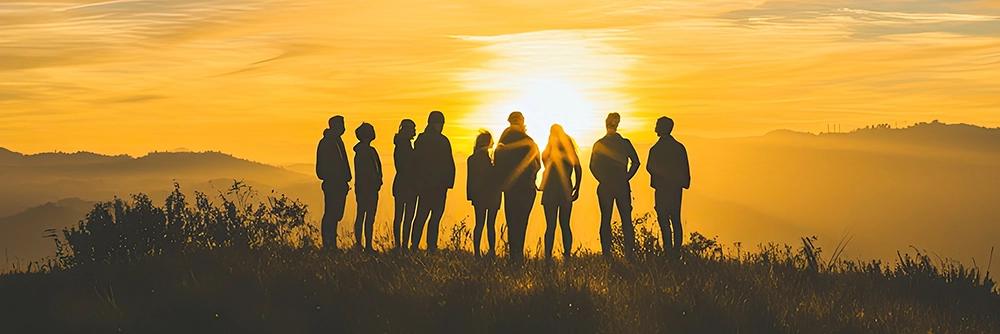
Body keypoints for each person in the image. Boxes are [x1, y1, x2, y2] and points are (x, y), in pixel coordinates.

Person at [590, 112, 640, 258]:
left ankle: (607, 253)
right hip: (622, 186)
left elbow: (592, 166)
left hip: (606, 186)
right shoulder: (625, 143)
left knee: (606, 219)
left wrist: (602, 179)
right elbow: (636, 162)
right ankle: (629, 253)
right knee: (626, 219)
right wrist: (626, 177)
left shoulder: (599, 144)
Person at [494, 111, 541, 263]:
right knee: (522, 222)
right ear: (522, 122)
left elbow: (498, 163)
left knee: (512, 221)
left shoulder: (503, 142)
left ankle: (513, 256)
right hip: (527, 188)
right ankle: (518, 256)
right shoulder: (530, 141)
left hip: (511, 188)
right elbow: (537, 165)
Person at [410, 111, 455, 251]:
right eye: (441, 123)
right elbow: (449, 163)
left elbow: (416, 163)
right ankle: (431, 246)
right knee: (434, 217)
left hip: (426, 186)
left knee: (422, 216)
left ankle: (415, 245)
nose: (442, 126)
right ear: (435, 124)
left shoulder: (421, 140)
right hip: (438, 186)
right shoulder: (442, 141)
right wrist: (448, 183)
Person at [646, 116, 690, 252]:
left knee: (664, 219)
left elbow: (649, 167)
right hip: (675, 188)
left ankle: (668, 249)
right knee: (675, 219)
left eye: (657, 126)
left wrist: (661, 176)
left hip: (662, 188)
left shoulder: (656, 149)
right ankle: (676, 250)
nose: (655, 129)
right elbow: (684, 167)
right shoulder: (678, 147)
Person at [541, 124, 582, 260]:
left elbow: (544, 163)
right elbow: (578, 168)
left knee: (551, 225)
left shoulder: (550, 148)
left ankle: (548, 257)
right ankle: (567, 255)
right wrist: (577, 187)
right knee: (565, 224)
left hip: (551, 191)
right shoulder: (568, 150)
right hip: (565, 191)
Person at [316, 115, 352, 251]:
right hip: (333, 184)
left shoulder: (336, 141)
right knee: (331, 214)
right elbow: (324, 167)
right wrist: (336, 178)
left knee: (335, 214)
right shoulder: (328, 142)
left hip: (339, 184)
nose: (343, 128)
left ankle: (332, 243)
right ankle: (328, 243)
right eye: (341, 125)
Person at [467, 131, 501, 257]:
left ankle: (477, 252)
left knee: (479, 223)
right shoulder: (492, 158)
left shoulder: (472, 159)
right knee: (490, 224)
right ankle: (491, 251)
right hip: (492, 195)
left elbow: (470, 179)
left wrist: (471, 196)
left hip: (479, 196)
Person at [352, 122, 382, 252]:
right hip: (366, 189)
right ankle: (362, 245)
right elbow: (366, 172)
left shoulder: (367, 151)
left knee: (366, 216)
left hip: (369, 188)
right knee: (365, 216)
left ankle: (365, 245)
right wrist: (373, 184)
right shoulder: (363, 152)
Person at [392, 119, 418, 250]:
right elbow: (408, 166)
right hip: (408, 185)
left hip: (402, 184)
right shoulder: (404, 146)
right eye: (412, 128)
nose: (414, 131)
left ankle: (400, 245)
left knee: (400, 216)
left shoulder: (401, 144)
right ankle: (402, 245)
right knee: (406, 217)